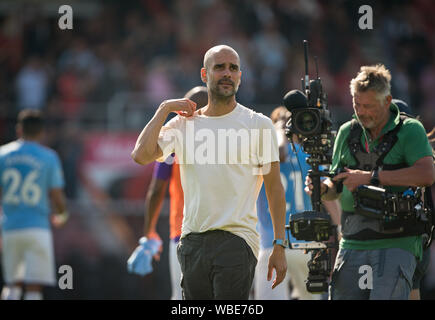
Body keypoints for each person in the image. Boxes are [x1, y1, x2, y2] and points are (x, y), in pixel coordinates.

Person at [131, 44, 287, 299]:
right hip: (192, 242)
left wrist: (279, 245)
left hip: (238, 240)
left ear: (240, 76)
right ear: (205, 74)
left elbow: (274, 188)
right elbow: (140, 155)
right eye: (220, 67)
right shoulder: (182, 124)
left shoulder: (259, 124)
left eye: (233, 68)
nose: (227, 73)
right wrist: (164, 108)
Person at [306, 64, 435, 300]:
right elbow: (336, 185)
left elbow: (427, 174)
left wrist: (371, 177)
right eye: (357, 104)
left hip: (398, 241)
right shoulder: (346, 131)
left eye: (369, 106)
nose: (361, 112)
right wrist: (321, 189)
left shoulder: (410, 130)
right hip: (352, 242)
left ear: (387, 102)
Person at [254, 106, 341, 300]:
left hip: (271, 243)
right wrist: (341, 228)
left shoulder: (264, 155)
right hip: (307, 243)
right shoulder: (310, 155)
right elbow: (327, 198)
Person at [142, 86, 208, 300]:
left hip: (183, 232)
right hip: (223, 231)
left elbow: (156, 190)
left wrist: (149, 231)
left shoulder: (175, 140)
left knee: (181, 297)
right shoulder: (226, 138)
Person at [0, 110, 68, 300]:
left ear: (19, 129)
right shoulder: (49, 157)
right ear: (41, 132)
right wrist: (62, 215)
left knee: (12, 285)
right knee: (34, 289)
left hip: (10, 227)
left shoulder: (2, 155)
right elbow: (56, 195)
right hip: (38, 228)